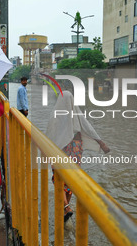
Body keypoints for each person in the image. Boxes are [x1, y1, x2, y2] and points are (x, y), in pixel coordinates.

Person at [46, 90, 110, 222]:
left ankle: (66, 207)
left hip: (59, 149)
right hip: (76, 147)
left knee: (58, 177)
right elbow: (88, 128)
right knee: (70, 179)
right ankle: (66, 208)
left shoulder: (55, 115)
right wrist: (101, 143)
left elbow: (50, 134)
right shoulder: (76, 113)